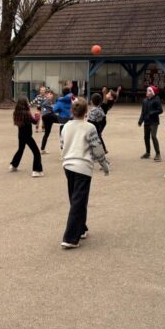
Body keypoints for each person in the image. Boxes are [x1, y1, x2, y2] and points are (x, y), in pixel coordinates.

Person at [59, 98, 109, 249]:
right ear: (86, 112)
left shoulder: (65, 127)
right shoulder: (90, 128)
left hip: (68, 164)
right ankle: (70, 237)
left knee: (76, 198)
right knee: (79, 200)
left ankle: (81, 228)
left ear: (72, 111)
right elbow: (97, 148)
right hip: (83, 166)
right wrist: (104, 165)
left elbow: (62, 144)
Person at [9, 97, 43, 177]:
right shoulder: (27, 113)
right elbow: (35, 121)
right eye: (27, 102)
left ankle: (13, 165)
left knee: (20, 149)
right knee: (36, 152)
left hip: (20, 135)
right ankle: (36, 170)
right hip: (27, 135)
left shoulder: (16, 112)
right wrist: (37, 115)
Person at [138, 85, 163, 161]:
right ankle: (147, 152)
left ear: (152, 92)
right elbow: (143, 112)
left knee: (153, 136)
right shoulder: (145, 100)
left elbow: (160, 110)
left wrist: (153, 112)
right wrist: (140, 120)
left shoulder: (156, 99)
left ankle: (158, 154)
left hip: (154, 122)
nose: (147, 92)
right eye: (147, 90)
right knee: (146, 137)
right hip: (146, 122)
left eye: (149, 91)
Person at [39, 89, 59, 154]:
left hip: (46, 117)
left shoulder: (49, 101)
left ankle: (42, 149)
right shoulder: (47, 100)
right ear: (46, 95)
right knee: (62, 120)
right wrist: (51, 107)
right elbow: (44, 104)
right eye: (49, 94)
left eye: (51, 94)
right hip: (48, 115)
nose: (51, 95)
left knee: (47, 133)